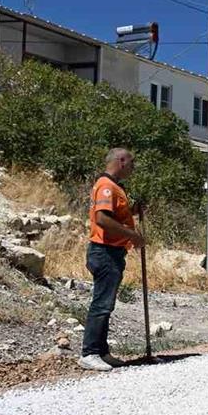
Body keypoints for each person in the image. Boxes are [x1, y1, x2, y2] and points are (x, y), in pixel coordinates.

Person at [80, 148, 144, 372]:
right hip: (104, 251)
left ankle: (102, 351)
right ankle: (90, 353)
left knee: (106, 303)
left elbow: (114, 215)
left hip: (113, 252)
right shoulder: (107, 186)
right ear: (122, 161)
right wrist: (133, 236)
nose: (133, 166)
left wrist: (133, 211)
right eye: (132, 162)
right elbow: (102, 219)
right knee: (102, 303)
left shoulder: (115, 187)